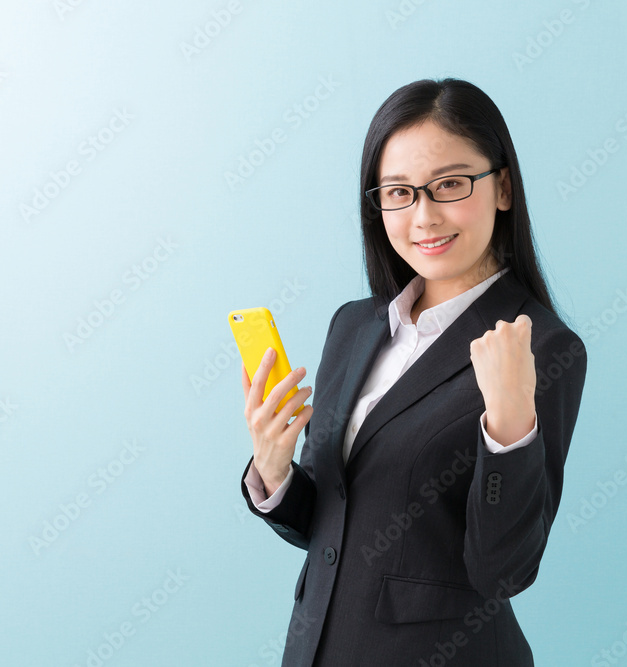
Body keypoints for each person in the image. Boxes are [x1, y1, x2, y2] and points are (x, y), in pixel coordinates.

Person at [238, 77, 587, 666]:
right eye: (399, 192)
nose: (424, 216)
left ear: (503, 187)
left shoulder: (540, 346)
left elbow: (503, 569)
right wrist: (274, 472)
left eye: (449, 185)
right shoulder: (353, 325)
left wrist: (508, 429)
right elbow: (331, 530)